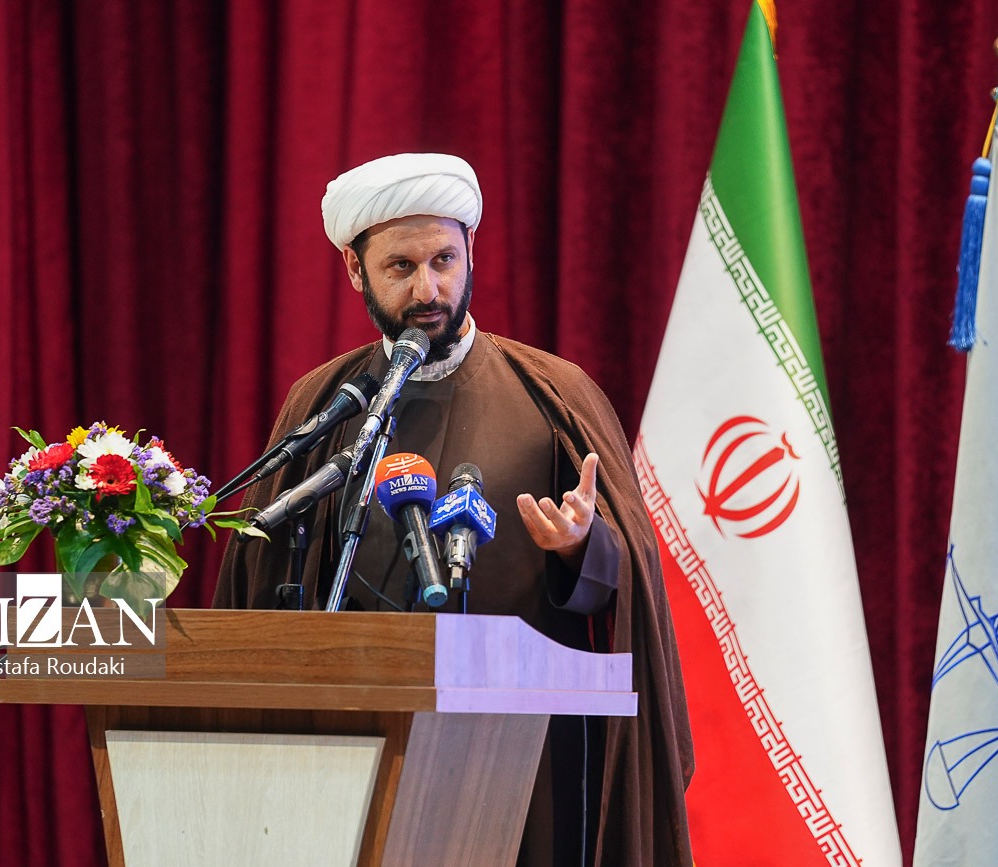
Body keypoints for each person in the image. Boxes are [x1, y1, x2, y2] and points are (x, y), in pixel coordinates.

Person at [213, 153, 693, 867]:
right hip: (354, 748)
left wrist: (580, 548)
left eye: (444, 260)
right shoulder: (325, 403)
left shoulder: (553, 395)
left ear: (473, 252)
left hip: (524, 758)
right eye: (400, 267)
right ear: (355, 269)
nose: (428, 289)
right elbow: (260, 580)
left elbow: (631, 589)